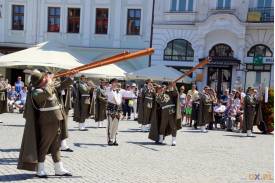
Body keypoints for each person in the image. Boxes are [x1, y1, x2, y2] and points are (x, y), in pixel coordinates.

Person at [17, 69, 74, 178]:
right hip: (47, 121)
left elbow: (61, 86)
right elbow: (47, 93)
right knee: (44, 145)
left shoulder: (48, 87)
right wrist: (50, 80)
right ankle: (40, 169)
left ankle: (59, 168)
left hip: (56, 119)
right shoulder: (36, 91)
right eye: (44, 77)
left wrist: (70, 77)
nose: (46, 77)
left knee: (56, 145)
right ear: (40, 81)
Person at [106, 78, 122, 146]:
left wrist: (121, 111)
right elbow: (110, 96)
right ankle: (109, 139)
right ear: (111, 83)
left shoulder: (118, 91)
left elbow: (120, 101)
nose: (116, 83)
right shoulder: (109, 90)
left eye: (117, 82)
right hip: (111, 108)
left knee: (116, 125)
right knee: (110, 125)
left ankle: (114, 139)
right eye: (114, 82)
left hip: (117, 109)